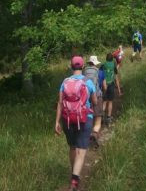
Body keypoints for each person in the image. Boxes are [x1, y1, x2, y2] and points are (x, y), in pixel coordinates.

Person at [55, 56, 97, 191]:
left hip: (67, 119)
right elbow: (95, 101)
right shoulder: (88, 82)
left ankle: (74, 171)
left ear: (71, 66)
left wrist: (57, 121)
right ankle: (74, 180)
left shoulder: (65, 82)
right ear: (83, 66)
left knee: (73, 147)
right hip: (85, 118)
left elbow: (60, 103)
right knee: (81, 150)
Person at [83, 55, 104, 149]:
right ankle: (95, 134)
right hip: (97, 96)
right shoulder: (99, 72)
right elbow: (102, 85)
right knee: (98, 119)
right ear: (95, 63)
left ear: (89, 63)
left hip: (86, 99)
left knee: (89, 118)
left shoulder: (84, 73)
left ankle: (88, 136)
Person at [101, 52, 121, 126]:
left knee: (104, 101)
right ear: (112, 59)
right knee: (110, 102)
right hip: (111, 85)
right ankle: (108, 118)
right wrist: (119, 89)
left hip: (104, 84)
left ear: (106, 58)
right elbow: (116, 77)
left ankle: (102, 116)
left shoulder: (103, 65)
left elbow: (100, 76)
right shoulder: (114, 65)